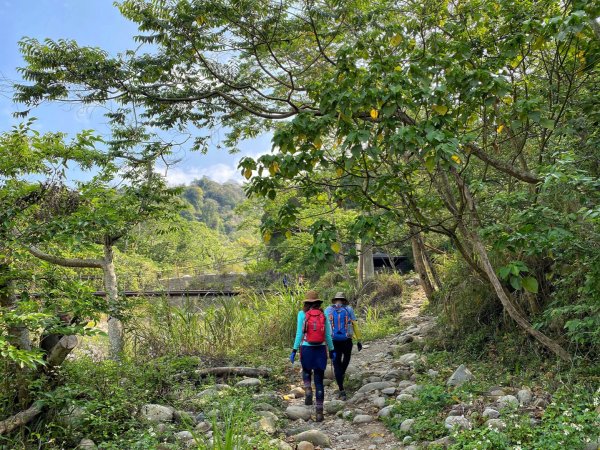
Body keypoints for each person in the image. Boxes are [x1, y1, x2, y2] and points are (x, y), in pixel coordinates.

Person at [289, 290, 335, 422]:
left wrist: (294, 350)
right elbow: (327, 335)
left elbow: (299, 334)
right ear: (318, 302)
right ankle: (319, 412)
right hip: (320, 349)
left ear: (306, 302)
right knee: (320, 381)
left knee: (307, 371)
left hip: (306, 349)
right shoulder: (323, 314)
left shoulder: (301, 314)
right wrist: (332, 350)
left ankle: (308, 389)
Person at [324, 292, 362, 401]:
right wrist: (359, 340)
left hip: (333, 342)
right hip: (347, 341)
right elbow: (355, 325)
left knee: (336, 365)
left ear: (335, 300)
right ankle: (342, 375)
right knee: (346, 360)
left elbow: (325, 327)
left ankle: (341, 390)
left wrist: (325, 342)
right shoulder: (349, 309)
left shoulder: (328, 310)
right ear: (344, 300)